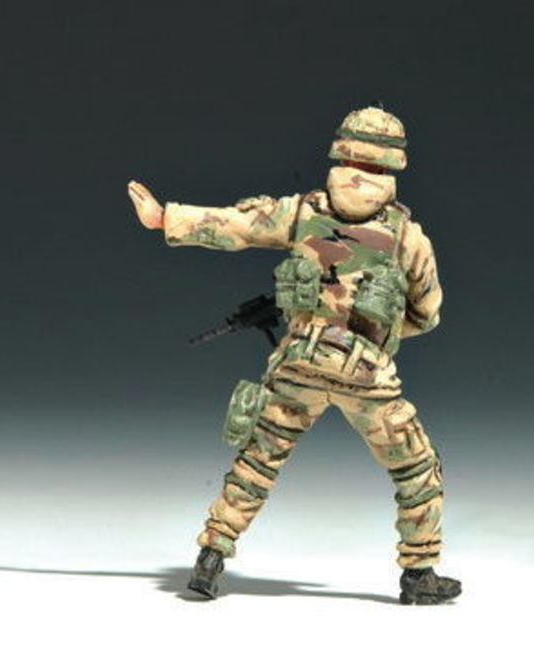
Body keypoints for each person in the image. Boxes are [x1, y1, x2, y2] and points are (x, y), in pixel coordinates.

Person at [127, 106, 461, 605]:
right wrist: (374, 339)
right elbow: (427, 313)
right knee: (416, 469)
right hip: (367, 378)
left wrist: (165, 218)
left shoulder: (302, 213)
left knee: (257, 462)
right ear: (394, 166)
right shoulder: (408, 237)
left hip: (297, 366)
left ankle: (211, 557)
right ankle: (419, 575)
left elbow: (238, 226)